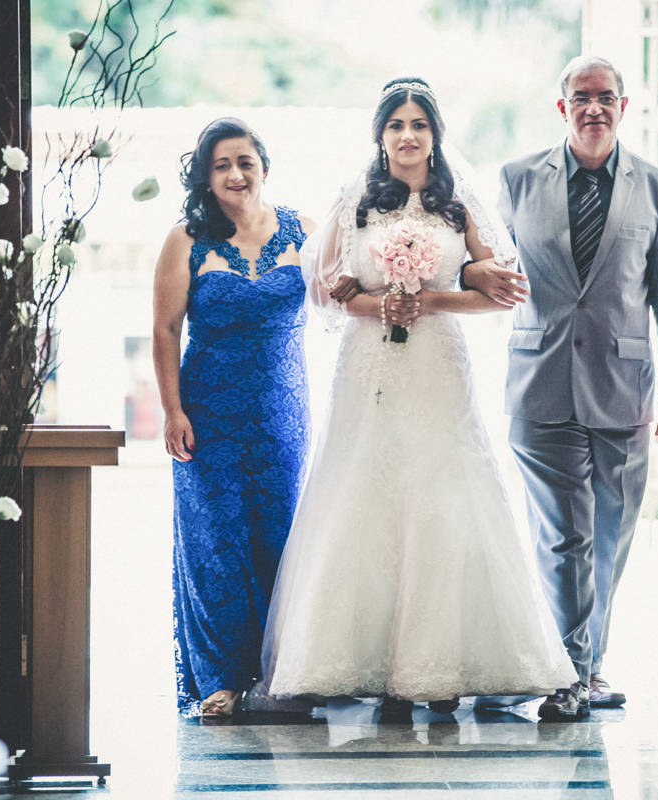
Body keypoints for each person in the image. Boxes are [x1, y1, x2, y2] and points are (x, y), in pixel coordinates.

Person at [259, 78, 575, 719]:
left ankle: (444, 664)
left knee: (445, 495)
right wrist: (377, 304)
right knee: (363, 494)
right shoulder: (355, 199)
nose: (408, 135)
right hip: (369, 369)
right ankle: (367, 664)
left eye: (419, 124)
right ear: (380, 134)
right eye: (396, 124)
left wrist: (433, 297)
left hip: (438, 366)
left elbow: (502, 292)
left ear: (436, 135)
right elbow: (326, 289)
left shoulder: (459, 203)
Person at [464, 55, 658, 720]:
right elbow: (481, 260)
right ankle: (569, 672)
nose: (594, 108)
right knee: (566, 536)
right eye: (581, 97)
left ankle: (586, 664)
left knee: (611, 534)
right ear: (562, 108)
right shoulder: (516, 179)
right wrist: (474, 277)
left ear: (623, 107)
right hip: (542, 380)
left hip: (624, 383)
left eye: (606, 97)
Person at [153, 117, 321, 719]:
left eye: (245, 162)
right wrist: (172, 410)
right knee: (216, 542)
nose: (235, 174)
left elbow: (344, 295)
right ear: (206, 176)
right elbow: (165, 330)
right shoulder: (186, 240)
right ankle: (221, 678)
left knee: (281, 540)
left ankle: (283, 673)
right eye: (221, 164)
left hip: (282, 413)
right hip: (208, 413)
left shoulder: (304, 230)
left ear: (264, 167)